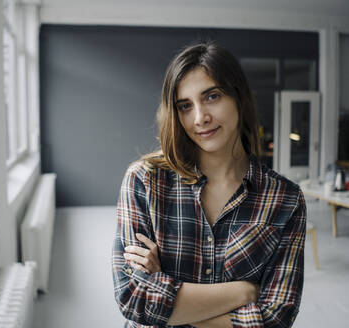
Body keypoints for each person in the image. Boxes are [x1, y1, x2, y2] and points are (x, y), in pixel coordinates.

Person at [111, 42, 306, 328]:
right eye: (185, 106)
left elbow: (276, 317)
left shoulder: (285, 199)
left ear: (238, 97)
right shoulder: (144, 180)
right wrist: (244, 291)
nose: (200, 117)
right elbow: (134, 298)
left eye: (212, 96)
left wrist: (169, 300)